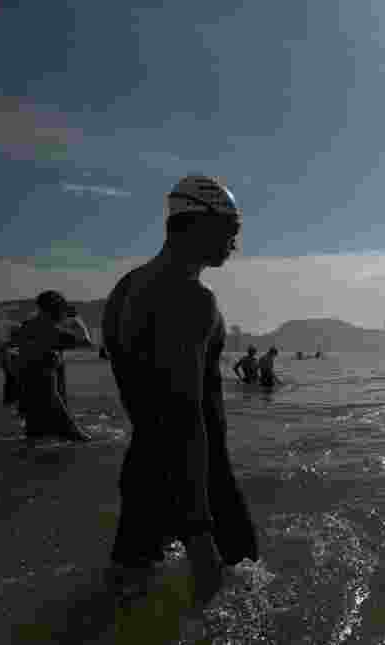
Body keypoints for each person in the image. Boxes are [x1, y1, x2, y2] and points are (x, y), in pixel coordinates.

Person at [101, 175, 258, 606]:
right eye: (231, 230)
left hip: (144, 469)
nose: (235, 243)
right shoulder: (189, 297)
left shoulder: (128, 286)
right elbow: (183, 414)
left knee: (122, 599)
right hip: (198, 479)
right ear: (199, 223)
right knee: (246, 602)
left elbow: (149, 404)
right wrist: (199, 527)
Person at [14, 291, 93, 441]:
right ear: (57, 310)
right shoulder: (54, 331)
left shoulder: (27, 325)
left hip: (27, 384)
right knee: (63, 428)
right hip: (47, 383)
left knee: (35, 432)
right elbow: (87, 342)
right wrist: (78, 320)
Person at [0, 324, 22, 408]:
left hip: (13, 366)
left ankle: (11, 399)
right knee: (11, 382)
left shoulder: (17, 343)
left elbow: (2, 356)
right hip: (11, 366)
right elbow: (2, 356)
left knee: (11, 383)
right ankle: (10, 399)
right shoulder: (8, 344)